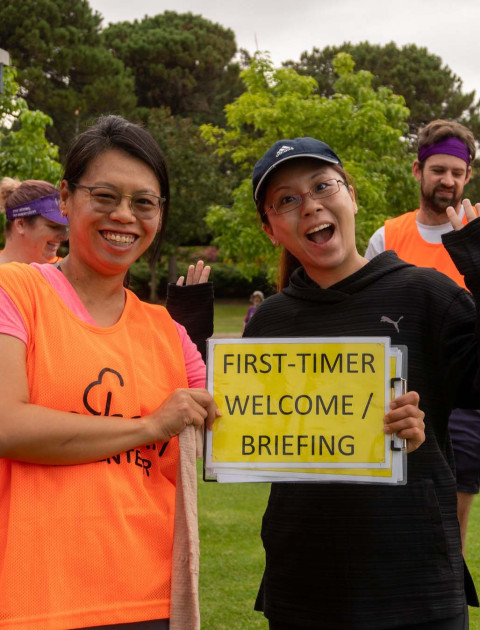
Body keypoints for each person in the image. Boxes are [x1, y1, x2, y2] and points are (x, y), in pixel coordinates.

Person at [246, 136, 480, 629]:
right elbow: (251, 435)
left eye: (322, 186)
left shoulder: (426, 293)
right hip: (303, 585)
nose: (309, 205)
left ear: (350, 195)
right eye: (286, 200)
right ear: (270, 229)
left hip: (415, 582)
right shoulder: (268, 323)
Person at [0, 115, 218, 630]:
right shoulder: (16, 292)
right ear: (66, 198)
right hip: (33, 600)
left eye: (143, 202)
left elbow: (239, 437)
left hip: (147, 602)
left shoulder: (168, 333)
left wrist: (374, 428)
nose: (124, 216)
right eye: (105, 196)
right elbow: (7, 424)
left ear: (159, 215)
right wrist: (148, 426)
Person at [365, 119, 479, 553]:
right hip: (400, 396)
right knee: (392, 510)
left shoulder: (478, 235)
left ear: (468, 176)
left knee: (449, 515)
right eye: (438, 170)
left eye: (456, 171)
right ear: (418, 170)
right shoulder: (387, 236)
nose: (447, 180)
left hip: (464, 399)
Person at [0, 179, 69, 265]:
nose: (65, 237)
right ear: (20, 224)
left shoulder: (64, 270)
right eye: (53, 226)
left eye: (65, 227)